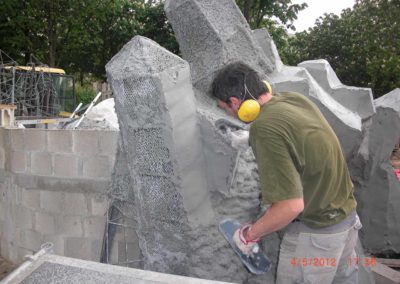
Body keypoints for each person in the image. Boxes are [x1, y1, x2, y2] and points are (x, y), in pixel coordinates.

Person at [211, 62, 362, 284]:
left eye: (225, 108)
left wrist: (249, 235)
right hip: (346, 219)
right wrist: (251, 137)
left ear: (234, 102)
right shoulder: (292, 99)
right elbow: (293, 134)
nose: (228, 112)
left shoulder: (266, 128)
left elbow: (290, 206)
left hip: (317, 236)